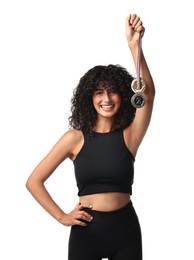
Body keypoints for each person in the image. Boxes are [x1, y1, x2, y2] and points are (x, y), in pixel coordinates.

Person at [26, 13, 155, 260]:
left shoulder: (130, 135)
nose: (106, 99)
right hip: (87, 233)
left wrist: (135, 47)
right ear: (90, 98)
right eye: (99, 93)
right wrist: (62, 216)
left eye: (113, 92)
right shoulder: (74, 139)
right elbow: (34, 181)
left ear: (122, 96)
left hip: (126, 230)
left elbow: (147, 95)